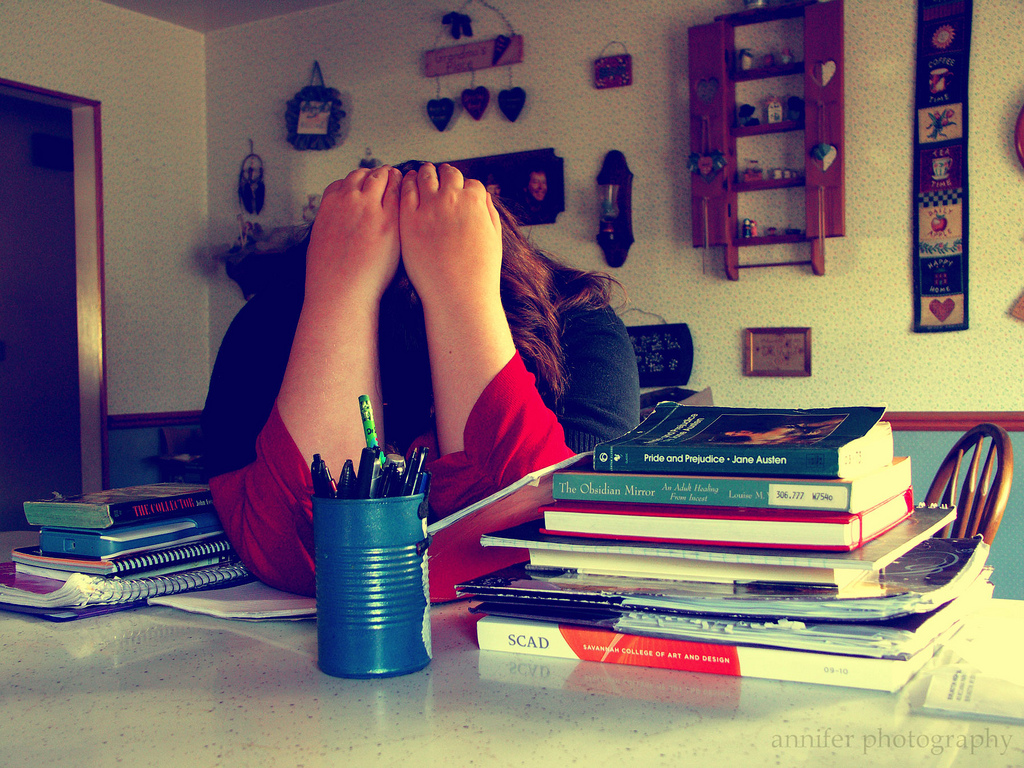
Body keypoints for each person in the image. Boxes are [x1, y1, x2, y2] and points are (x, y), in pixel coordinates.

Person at [201, 162, 640, 597]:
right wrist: (341, 292)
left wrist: (461, 294)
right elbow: (304, 557)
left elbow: (561, 540)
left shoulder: (580, 322)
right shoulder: (266, 324)